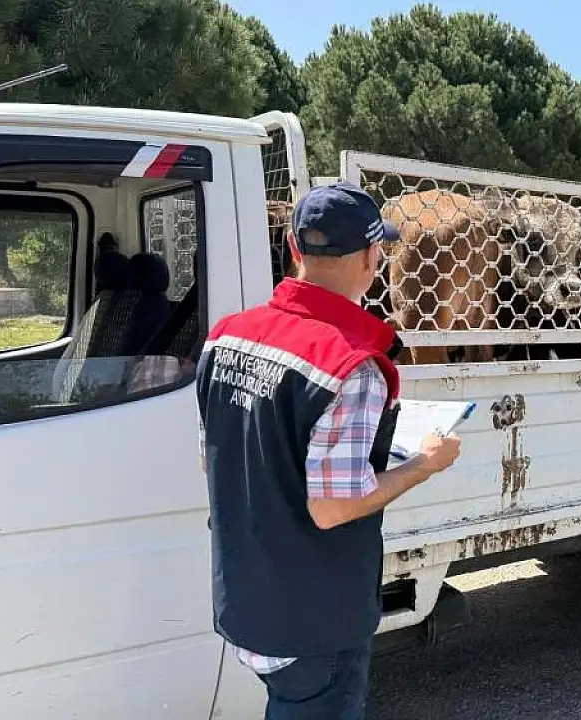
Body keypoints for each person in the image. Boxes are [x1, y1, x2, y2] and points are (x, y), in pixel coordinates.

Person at [195, 180, 462, 719]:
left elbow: (213, 458)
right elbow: (334, 506)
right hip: (313, 617)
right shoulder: (351, 367)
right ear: (371, 257)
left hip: (246, 597)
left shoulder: (227, 337)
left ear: (295, 248)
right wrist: (423, 465)